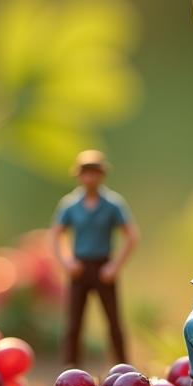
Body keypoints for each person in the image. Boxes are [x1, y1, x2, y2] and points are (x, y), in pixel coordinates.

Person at [52, 150, 139, 366]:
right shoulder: (70, 205)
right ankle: (69, 367)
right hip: (79, 267)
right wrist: (66, 261)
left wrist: (115, 266)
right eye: (85, 173)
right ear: (79, 176)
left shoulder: (112, 204)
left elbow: (131, 236)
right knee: (74, 323)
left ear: (101, 175)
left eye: (94, 173)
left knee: (113, 321)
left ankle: (123, 365)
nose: (90, 178)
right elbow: (55, 234)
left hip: (103, 267)